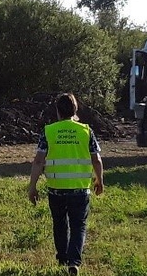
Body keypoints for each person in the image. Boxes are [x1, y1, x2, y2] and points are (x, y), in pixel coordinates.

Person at [27, 93, 104, 276]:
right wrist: (100, 180)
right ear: (75, 110)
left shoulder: (48, 131)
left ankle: (62, 258)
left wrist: (32, 186)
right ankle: (74, 262)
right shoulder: (86, 131)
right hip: (80, 189)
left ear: (57, 111)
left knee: (59, 224)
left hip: (56, 189)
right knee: (78, 226)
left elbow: (38, 161)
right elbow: (97, 159)